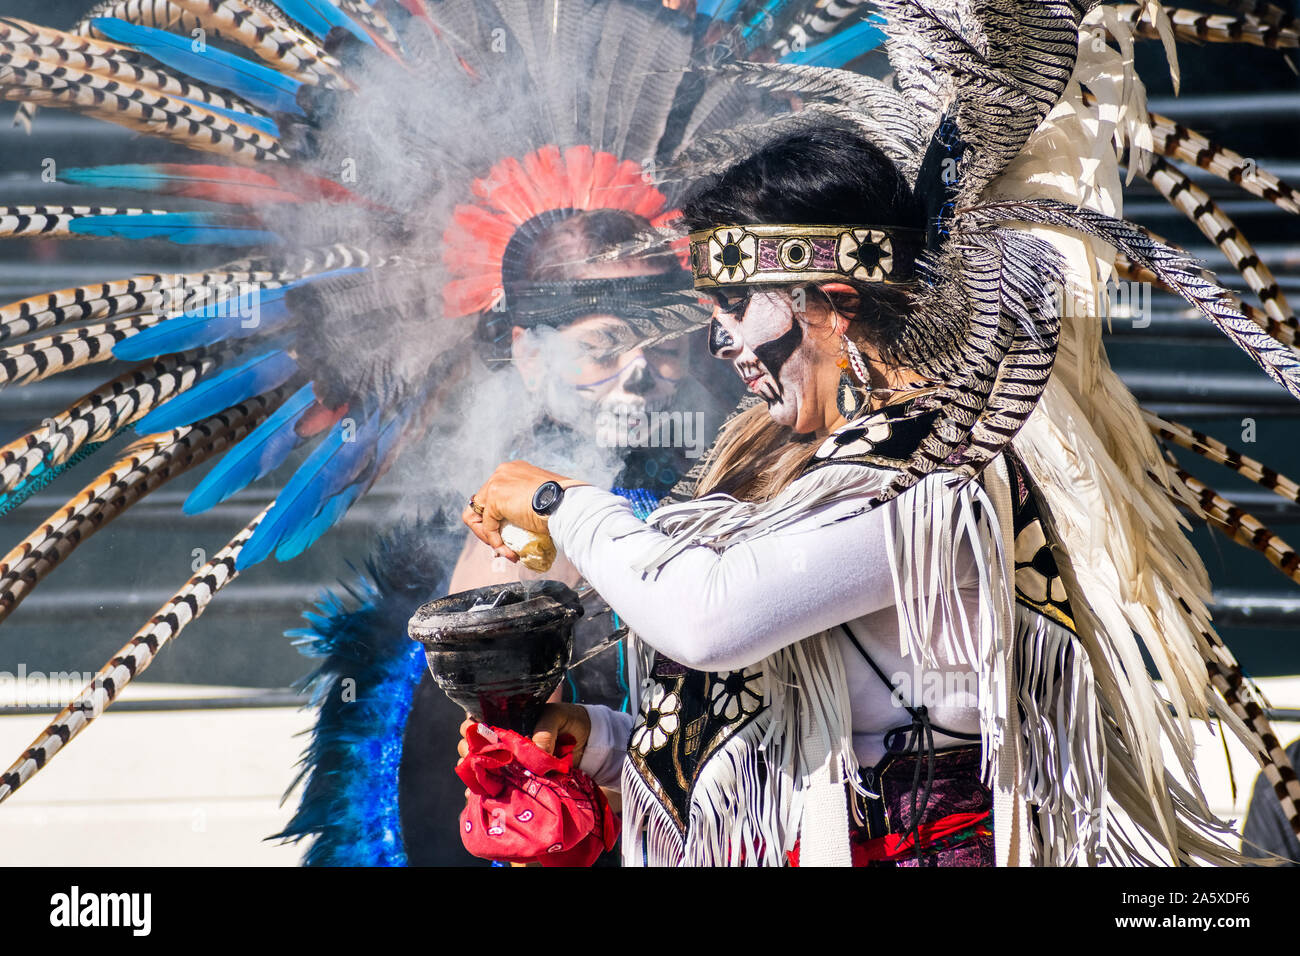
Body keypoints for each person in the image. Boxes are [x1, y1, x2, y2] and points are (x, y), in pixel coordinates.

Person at [462, 127, 1004, 867]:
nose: (724, 348)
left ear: (831, 307)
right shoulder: (807, 457)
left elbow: (708, 619)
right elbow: (767, 754)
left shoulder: (938, 468)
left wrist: (566, 505)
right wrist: (601, 742)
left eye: (736, 306)